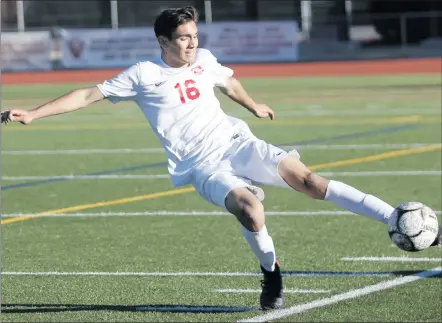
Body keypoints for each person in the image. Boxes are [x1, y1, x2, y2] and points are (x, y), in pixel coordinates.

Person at [2, 6, 440, 311]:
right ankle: (271, 273)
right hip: (201, 165)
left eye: (194, 36)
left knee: (310, 181)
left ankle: (396, 218)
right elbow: (86, 94)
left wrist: (252, 106)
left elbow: (229, 84)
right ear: (163, 41)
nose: (192, 44)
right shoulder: (143, 74)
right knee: (252, 211)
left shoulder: (206, 59)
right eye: (183, 38)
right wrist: (35, 113)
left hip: (235, 140)